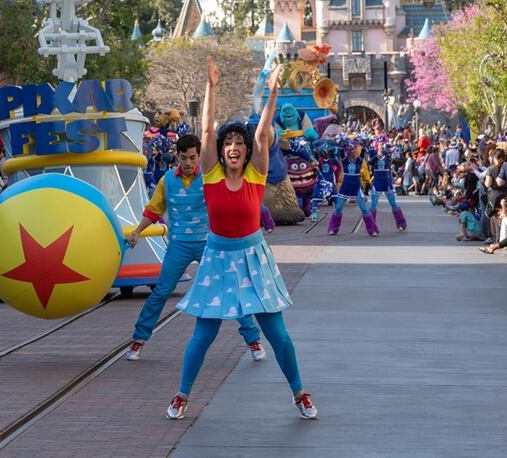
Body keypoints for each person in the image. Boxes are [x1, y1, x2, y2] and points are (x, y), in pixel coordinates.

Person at [166, 57, 317, 422]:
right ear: (221, 151)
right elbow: (205, 132)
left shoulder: (256, 175)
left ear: (247, 151)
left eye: (239, 142)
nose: (233, 146)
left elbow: (264, 130)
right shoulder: (212, 175)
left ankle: (300, 393)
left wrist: (274, 89)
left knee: (277, 335)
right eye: (228, 142)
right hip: (218, 259)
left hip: (253, 258)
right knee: (203, 335)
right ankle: (182, 394)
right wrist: (211, 88)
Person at [123, 132, 265, 363]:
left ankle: (253, 340)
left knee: (230, 287)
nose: (188, 163)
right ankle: (139, 339)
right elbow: (153, 210)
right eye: (183, 158)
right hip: (179, 244)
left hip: (209, 243)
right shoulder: (166, 180)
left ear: (199, 156)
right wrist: (137, 231)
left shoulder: (211, 178)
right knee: (161, 291)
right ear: (176, 157)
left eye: (192, 158)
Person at [326, 138, 379, 236]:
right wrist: (341, 145)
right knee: (338, 208)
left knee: (364, 209)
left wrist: (364, 144)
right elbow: (340, 153)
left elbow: (363, 152)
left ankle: (372, 229)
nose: (353, 151)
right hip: (345, 186)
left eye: (354, 149)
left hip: (356, 186)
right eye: (351, 149)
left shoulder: (359, 160)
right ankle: (333, 228)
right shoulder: (344, 160)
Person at [369, 143, 407, 231]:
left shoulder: (387, 156)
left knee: (393, 203)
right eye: (379, 146)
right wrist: (374, 155)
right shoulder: (373, 156)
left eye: (382, 146)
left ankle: (401, 222)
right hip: (377, 182)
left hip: (386, 181)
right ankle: (371, 225)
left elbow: (391, 159)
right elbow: (369, 162)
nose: (381, 147)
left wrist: (389, 151)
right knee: (373, 204)